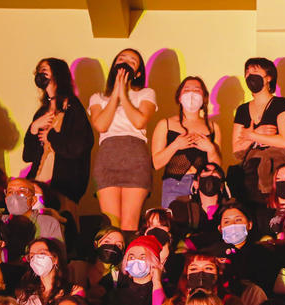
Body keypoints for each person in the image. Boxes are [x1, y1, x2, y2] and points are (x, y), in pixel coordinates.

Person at [88, 49, 156, 231]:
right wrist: (115, 94)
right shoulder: (98, 97)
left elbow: (139, 121)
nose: (125, 62)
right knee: (111, 225)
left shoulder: (145, 93)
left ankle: (131, 259)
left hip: (136, 158)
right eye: (121, 59)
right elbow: (101, 125)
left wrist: (124, 94)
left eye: (132, 61)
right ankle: (110, 260)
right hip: (107, 158)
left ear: (138, 72)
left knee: (129, 224)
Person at [23, 58, 93, 212]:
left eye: (45, 71)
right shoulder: (42, 112)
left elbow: (78, 146)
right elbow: (28, 155)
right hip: (38, 182)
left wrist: (52, 136)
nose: (40, 74)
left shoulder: (72, 107)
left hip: (65, 185)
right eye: (39, 71)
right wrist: (33, 128)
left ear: (57, 74)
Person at [152, 76, 222, 208]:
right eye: (187, 90)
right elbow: (156, 163)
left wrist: (211, 149)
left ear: (204, 97)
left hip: (205, 185)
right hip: (174, 185)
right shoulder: (165, 124)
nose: (191, 94)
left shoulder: (213, 127)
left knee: (204, 225)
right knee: (174, 225)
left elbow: (217, 167)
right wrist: (176, 145)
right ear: (179, 97)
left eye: (197, 90)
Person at [231, 57, 285, 202]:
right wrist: (258, 134)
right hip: (249, 176)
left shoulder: (281, 104)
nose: (249, 75)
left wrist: (251, 135)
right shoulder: (242, 110)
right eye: (247, 72)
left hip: (277, 173)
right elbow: (237, 150)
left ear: (269, 77)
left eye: (255, 70)